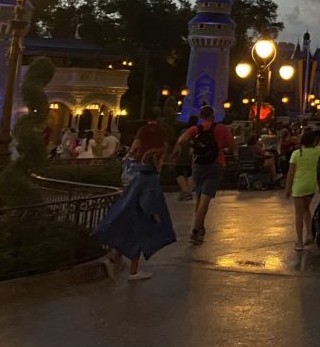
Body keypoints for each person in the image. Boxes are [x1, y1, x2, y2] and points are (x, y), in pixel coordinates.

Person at [94, 120, 175, 281]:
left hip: (131, 207)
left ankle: (113, 259)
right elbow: (148, 198)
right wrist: (153, 213)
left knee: (130, 235)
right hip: (141, 211)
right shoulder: (150, 176)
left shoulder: (138, 170)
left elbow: (132, 153)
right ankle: (132, 270)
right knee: (139, 236)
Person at [173, 105, 236, 245]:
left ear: (201, 116)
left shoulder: (196, 129)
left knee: (200, 197)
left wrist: (194, 144)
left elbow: (181, 140)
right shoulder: (221, 129)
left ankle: (200, 227)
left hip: (198, 165)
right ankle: (196, 230)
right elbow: (233, 146)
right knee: (205, 199)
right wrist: (221, 146)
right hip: (215, 164)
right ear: (213, 116)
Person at [285, 128, 320, 250]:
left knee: (298, 214)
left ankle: (300, 243)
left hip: (299, 187)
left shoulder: (296, 154)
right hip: (311, 185)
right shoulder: (317, 151)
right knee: (307, 209)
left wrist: (287, 189)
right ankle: (310, 234)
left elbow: (290, 174)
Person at [174, 117, 196, 201]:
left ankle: (186, 191)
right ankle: (189, 192)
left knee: (179, 173)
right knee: (190, 173)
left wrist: (174, 153)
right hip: (193, 156)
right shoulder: (197, 132)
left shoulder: (184, 131)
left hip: (183, 155)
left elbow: (179, 143)